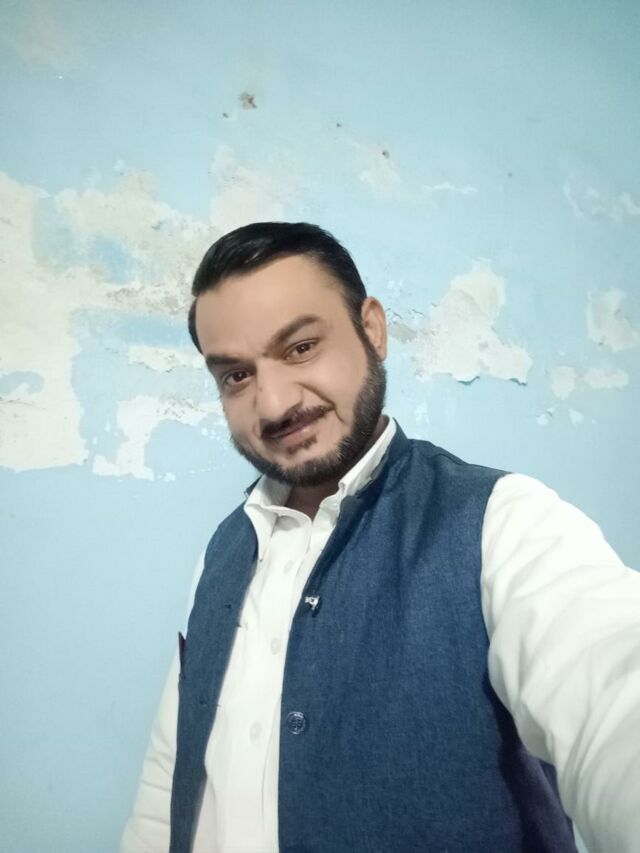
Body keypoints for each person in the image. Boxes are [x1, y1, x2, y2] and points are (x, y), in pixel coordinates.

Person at [122, 222, 640, 853]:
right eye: (236, 376)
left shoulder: (504, 521)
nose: (274, 403)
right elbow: (171, 778)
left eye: (301, 347)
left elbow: (615, 697)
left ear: (372, 329)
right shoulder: (223, 553)